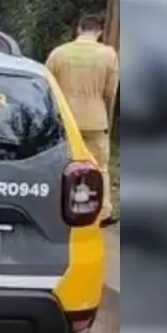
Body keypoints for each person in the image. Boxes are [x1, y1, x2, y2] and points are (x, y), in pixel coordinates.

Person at [46, 14, 120, 227]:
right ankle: (104, 212)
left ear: (79, 29)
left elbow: (47, 86)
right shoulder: (108, 55)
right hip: (95, 120)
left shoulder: (59, 53)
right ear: (99, 32)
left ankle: (55, 205)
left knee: (60, 164)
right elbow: (110, 92)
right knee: (99, 167)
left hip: (64, 119)